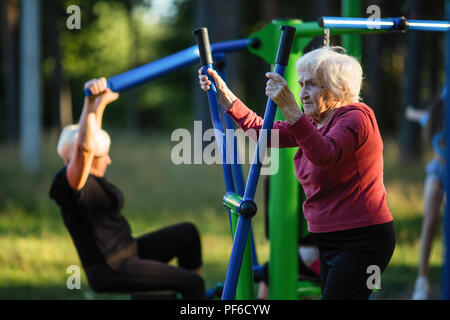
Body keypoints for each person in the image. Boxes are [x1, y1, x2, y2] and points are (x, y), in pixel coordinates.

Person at [198, 46, 396, 300]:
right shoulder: (315, 122)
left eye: (312, 85)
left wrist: (290, 107)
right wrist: (224, 96)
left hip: (362, 239)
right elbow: (263, 133)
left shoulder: (357, 117)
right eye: (301, 84)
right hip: (327, 239)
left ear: (341, 89)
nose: (302, 93)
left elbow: (324, 155)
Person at [49, 78, 205, 299]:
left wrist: (99, 105)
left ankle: (176, 295)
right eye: (103, 156)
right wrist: (88, 102)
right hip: (111, 267)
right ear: (89, 158)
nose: (108, 160)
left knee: (187, 234)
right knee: (192, 283)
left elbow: (92, 140)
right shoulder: (72, 185)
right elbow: (85, 147)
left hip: (130, 251)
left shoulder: (91, 177)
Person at [406, 92, 446, 300]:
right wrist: (411, 112)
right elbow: (421, 115)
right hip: (438, 171)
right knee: (430, 221)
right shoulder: (436, 118)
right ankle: (422, 281)